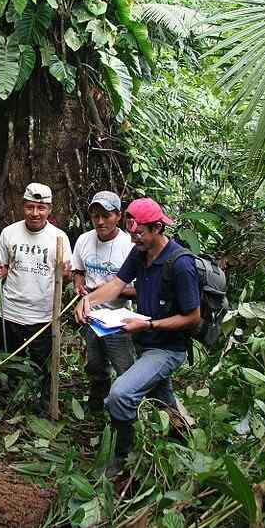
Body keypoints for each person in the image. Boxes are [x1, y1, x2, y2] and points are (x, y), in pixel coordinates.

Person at [75, 197, 201, 477]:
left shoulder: (181, 264)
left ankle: (123, 455)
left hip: (167, 348)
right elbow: (117, 286)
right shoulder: (140, 253)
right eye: (132, 233)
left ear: (158, 228)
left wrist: (150, 325)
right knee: (163, 398)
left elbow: (193, 317)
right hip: (145, 343)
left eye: (140, 234)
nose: (135, 239)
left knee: (120, 394)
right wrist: (88, 301)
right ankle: (185, 442)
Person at [0, 183, 72, 407]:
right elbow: (4, 267)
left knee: (42, 365)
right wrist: (1, 271)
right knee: (10, 362)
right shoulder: (9, 233)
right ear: (23, 206)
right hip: (10, 311)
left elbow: (64, 278)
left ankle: (42, 403)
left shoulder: (59, 238)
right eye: (30, 207)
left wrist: (65, 275)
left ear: (49, 209)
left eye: (41, 208)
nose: (35, 213)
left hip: (43, 316)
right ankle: (10, 401)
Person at [72, 191, 136, 412]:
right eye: (95, 216)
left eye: (106, 215)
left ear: (118, 216)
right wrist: (79, 284)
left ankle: (127, 408)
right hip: (91, 316)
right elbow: (78, 270)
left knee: (124, 366)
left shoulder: (129, 245)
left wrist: (108, 291)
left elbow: (138, 289)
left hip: (118, 319)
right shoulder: (84, 240)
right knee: (95, 364)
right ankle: (98, 402)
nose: (100, 221)